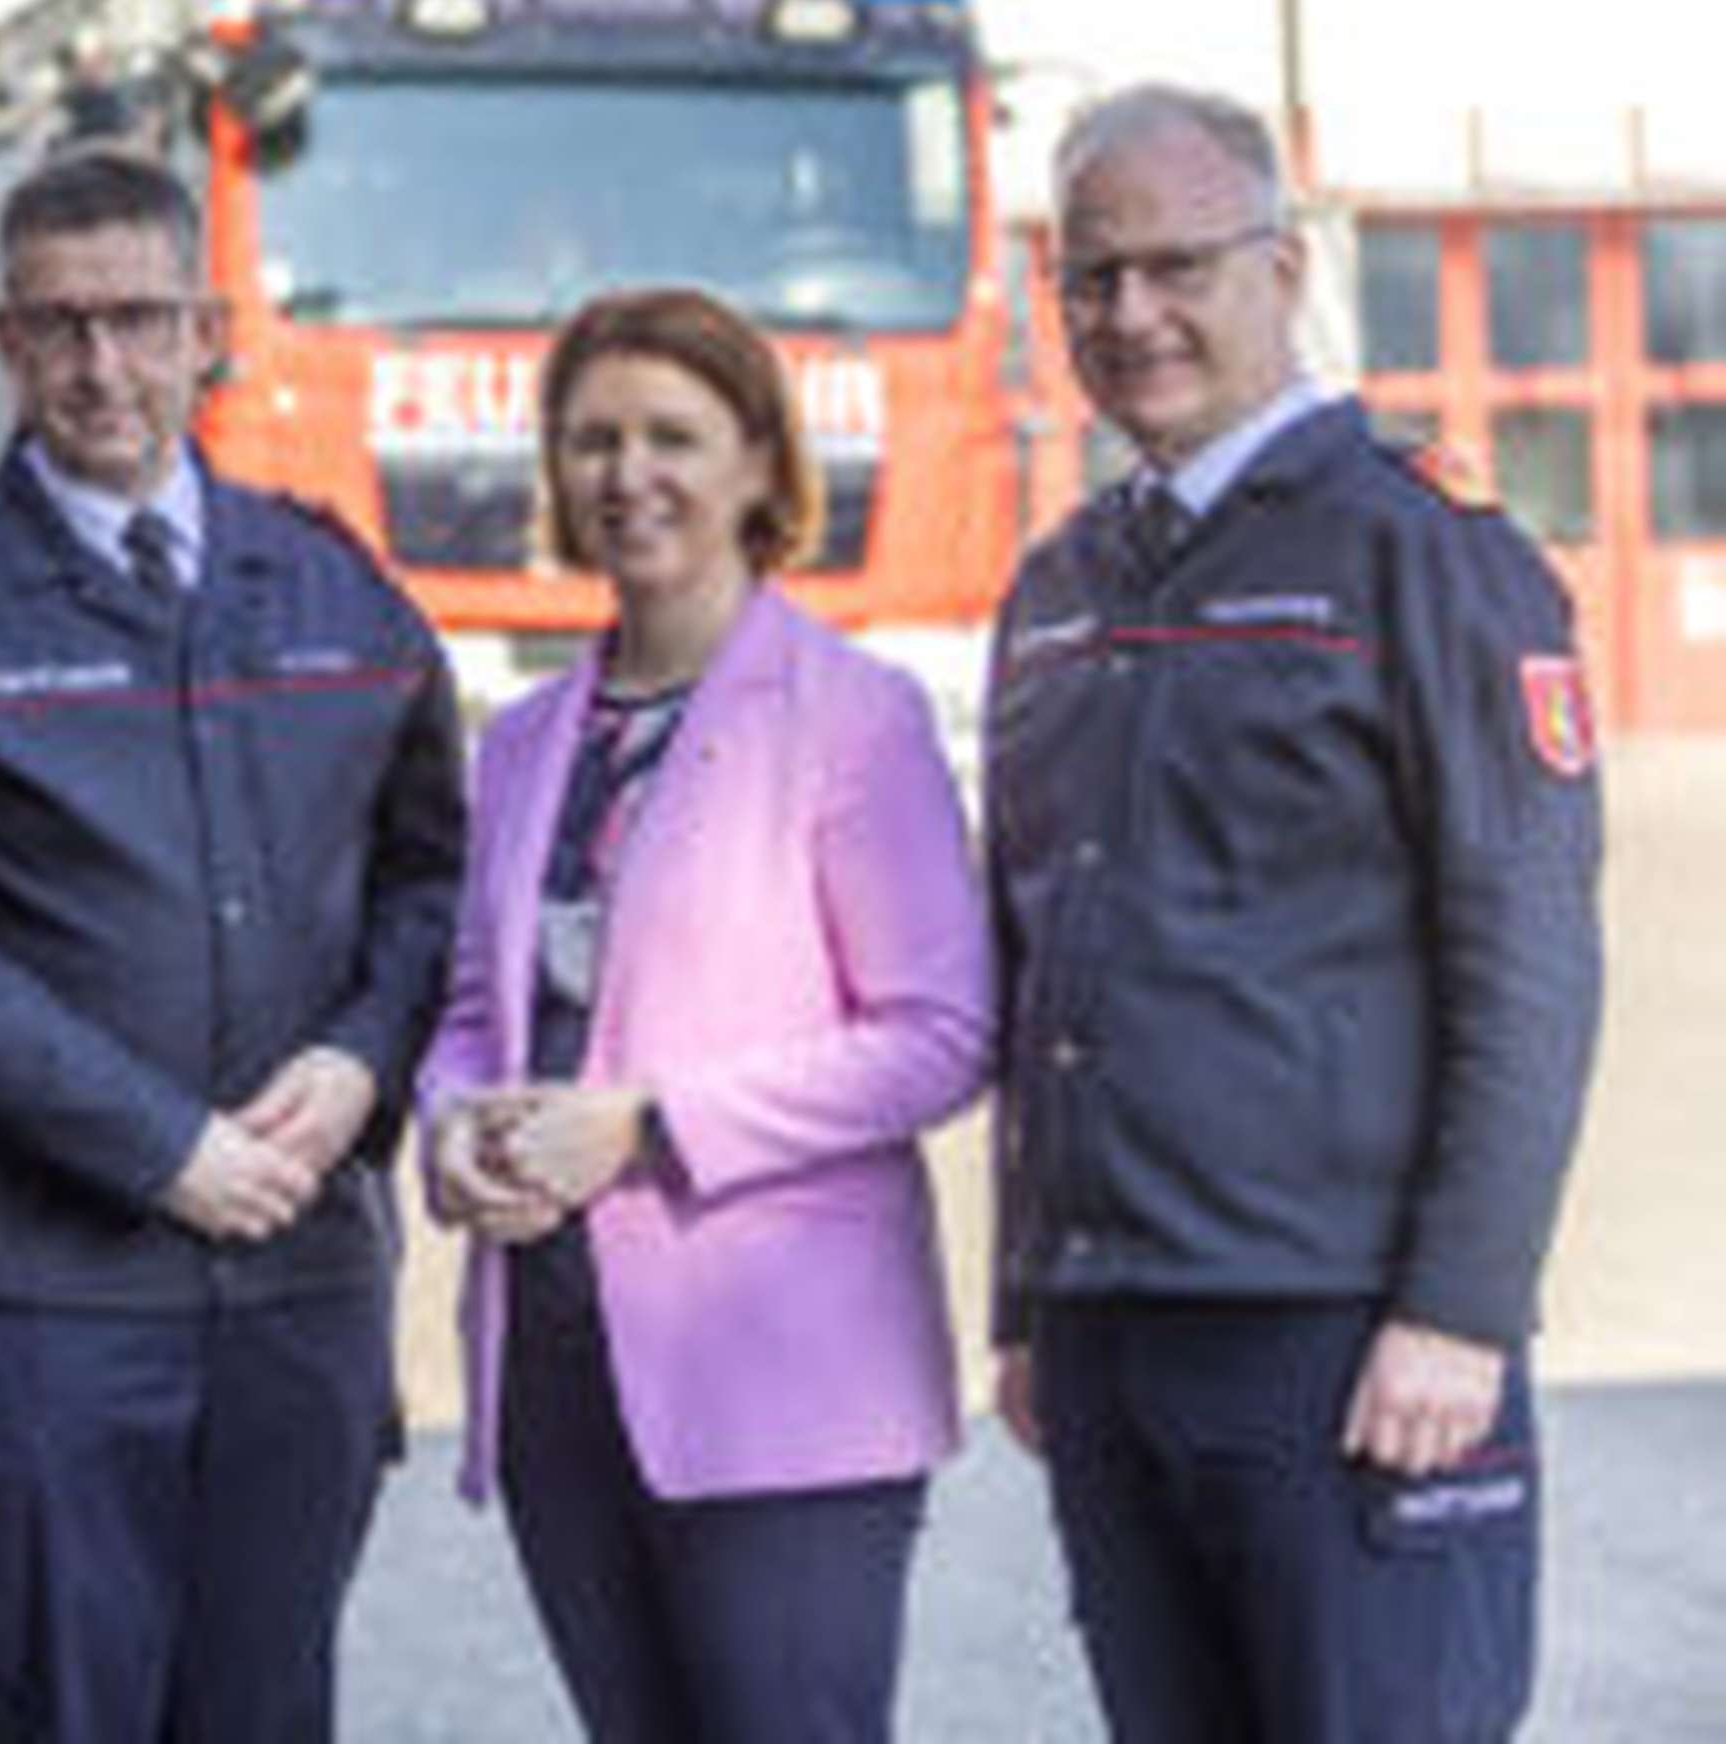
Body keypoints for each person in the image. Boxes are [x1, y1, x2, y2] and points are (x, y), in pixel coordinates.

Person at [0, 148, 465, 1742]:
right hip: (49, 1302)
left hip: (302, 1284)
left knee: (268, 1712)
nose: (101, 365)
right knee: (70, 1710)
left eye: (138, 319)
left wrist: (357, 1057)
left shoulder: (334, 584)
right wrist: (160, 1145)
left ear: (208, 328)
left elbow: (432, 875)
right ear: (4, 344)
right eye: (60, 326)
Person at [986, 84, 1603, 1742]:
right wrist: (1030, 1308)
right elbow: (1035, 964)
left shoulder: (1425, 558)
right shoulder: (1058, 593)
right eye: (1093, 279)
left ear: (1283, 267)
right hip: (1116, 1342)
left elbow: (1530, 955)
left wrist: (1463, 1310)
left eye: (1179, 267)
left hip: (1351, 1345)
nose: (1133, 316)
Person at [417, 286, 993, 1742]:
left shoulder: (854, 716)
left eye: (673, 435)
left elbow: (938, 1034)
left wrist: (653, 1126)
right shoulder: (531, 740)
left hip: (785, 1389)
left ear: (758, 465)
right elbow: (476, 1008)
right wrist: (449, 1130)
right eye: (594, 439)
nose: (628, 474)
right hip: (558, 1367)